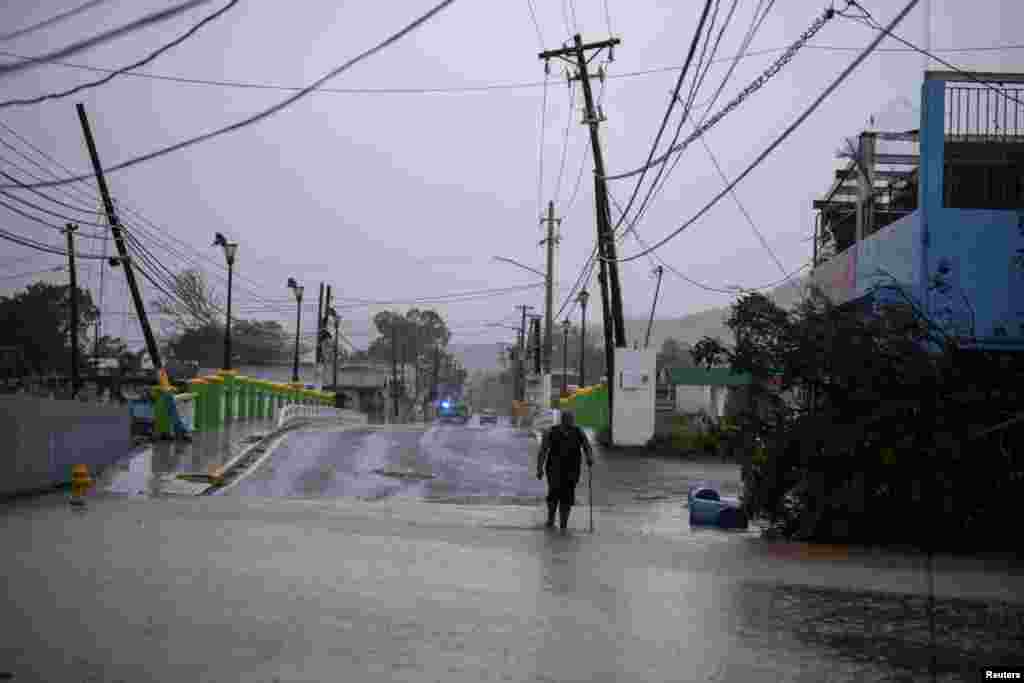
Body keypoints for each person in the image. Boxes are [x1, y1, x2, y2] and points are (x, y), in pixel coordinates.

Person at [536, 410, 593, 531]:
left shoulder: (578, 431)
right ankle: (551, 519)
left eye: (572, 419)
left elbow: (587, 446)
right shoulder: (551, 431)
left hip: (572, 469)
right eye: (568, 419)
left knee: (568, 496)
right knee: (553, 494)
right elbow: (543, 450)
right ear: (562, 419)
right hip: (554, 469)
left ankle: (563, 524)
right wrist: (539, 468)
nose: (571, 421)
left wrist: (589, 457)